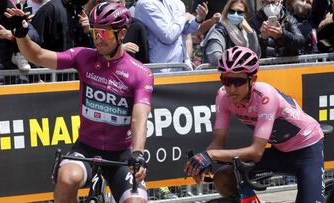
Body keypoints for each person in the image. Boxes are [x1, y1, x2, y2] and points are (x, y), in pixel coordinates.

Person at [5, 2, 153, 203]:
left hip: (121, 154)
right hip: (86, 147)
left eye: (105, 33)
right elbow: (38, 55)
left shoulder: (140, 73)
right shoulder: (84, 57)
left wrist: (138, 153)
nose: (98, 39)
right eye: (95, 33)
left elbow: (139, 118)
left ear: (123, 33)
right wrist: (21, 35)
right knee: (66, 179)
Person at [184, 46, 325, 203]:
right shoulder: (223, 96)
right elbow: (217, 144)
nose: (231, 88)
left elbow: (256, 152)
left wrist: (211, 155)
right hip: (280, 151)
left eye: (238, 82)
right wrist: (200, 162)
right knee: (222, 178)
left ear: (253, 79)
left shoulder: (265, 95)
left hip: (307, 150)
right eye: (226, 81)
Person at [135, 0, 208, 69]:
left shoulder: (169, 2)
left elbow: (184, 29)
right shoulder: (146, 4)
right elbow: (168, 36)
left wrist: (198, 19)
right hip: (162, 68)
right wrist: (184, 17)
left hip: (182, 65)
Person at [201, 0, 260, 67]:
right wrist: (241, 59)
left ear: (245, 15)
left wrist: (250, 32)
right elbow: (215, 58)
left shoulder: (245, 31)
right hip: (219, 74)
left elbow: (255, 55)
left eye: (240, 12)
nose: (235, 14)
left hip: (242, 73)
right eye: (232, 11)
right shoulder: (219, 29)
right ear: (226, 12)